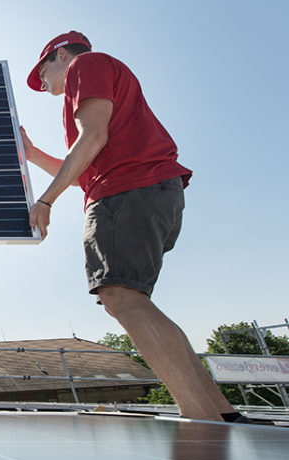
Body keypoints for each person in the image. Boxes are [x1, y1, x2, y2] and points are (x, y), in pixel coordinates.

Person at [22, 31, 241, 422]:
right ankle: (221, 412)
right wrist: (35, 155)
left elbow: (93, 137)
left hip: (127, 191)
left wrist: (45, 201)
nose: (41, 82)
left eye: (42, 71)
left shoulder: (85, 65)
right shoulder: (100, 75)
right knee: (133, 300)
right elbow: (84, 169)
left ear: (59, 54)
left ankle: (200, 417)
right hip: (148, 190)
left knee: (121, 297)